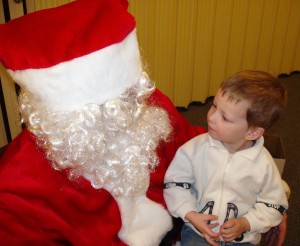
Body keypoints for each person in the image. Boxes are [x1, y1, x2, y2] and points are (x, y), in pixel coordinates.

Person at [0, 0, 207, 245]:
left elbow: (193, 148)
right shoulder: (19, 185)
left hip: (180, 221)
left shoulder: (149, 106)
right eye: (110, 106)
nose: (129, 109)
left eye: (130, 94)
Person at [164, 70, 289, 246]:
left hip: (243, 239)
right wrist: (190, 214)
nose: (211, 117)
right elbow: (175, 184)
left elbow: (274, 205)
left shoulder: (264, 165)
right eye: (214, 106)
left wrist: (247, 223)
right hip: (197, 232)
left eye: (225, 117)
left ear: (253, 132)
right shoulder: (194, 150)